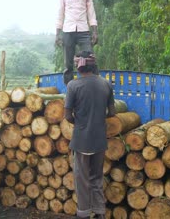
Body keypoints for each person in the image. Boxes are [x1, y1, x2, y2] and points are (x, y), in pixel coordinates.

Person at [64, 51, 115, 219]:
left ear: (79, 66)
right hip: (99, 139)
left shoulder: (73, 85)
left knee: (82, 179)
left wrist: (81, 121)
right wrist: (97, 118)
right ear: (93, 65)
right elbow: (112, 112)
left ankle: (84, 214)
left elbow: (67, 116)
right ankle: (100, 213)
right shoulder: (106, 84)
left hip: (81, 140)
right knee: (96, 178)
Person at [56, 0, 98, 85]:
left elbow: (91, 13)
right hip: (67, 31)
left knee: (90, 58)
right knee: (68, 64)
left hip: (83, 30)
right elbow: (60, 14)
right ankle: (69, 90)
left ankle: (94, 86)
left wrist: (94, 31)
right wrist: (57, 34)